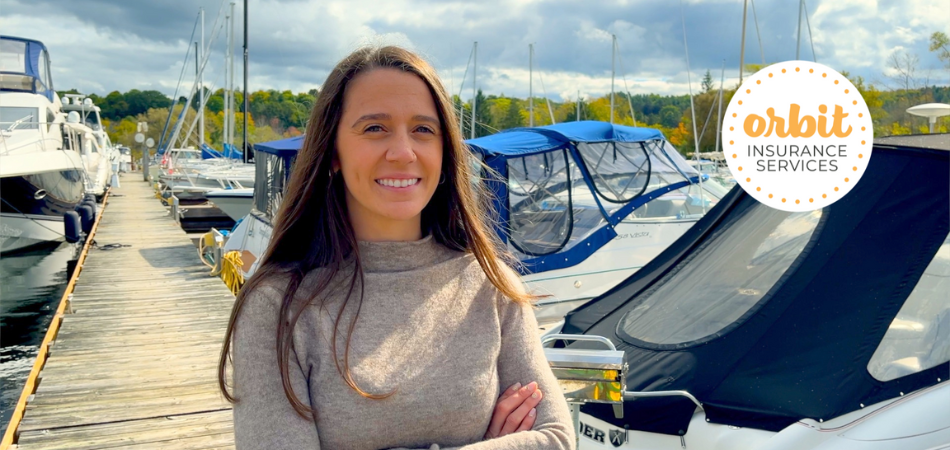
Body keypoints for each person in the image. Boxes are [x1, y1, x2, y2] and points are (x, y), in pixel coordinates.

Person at [218, 45, 574, 450]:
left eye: (424, 129)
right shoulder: (276, 307)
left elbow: (556, 439)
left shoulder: (491, 287)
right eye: (375, 128)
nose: (403, 152)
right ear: (332, 152)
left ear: (445, 152)